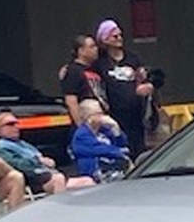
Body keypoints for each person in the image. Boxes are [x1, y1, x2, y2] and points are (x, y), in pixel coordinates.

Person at [0, 111, 95, 195]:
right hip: (33, 180)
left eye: (16, 123)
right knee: (58, 179)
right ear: (0, 129)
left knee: (88, 181)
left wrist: (47, 160)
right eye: (10, 124)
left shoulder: (23, 144)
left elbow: (40, 157)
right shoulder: (1, 148)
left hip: (49, 175)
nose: (16, 127)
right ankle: (61, 214)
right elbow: (19, 166)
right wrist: (38, 160)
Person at [93, 18, 155, 159]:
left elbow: (145, 76)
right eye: (114, 36)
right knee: (119, 147)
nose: (119, 38)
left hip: (135, 113)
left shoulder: (132, 58)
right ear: (105, 39)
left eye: (120, 35)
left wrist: (148, 85)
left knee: (138, 148)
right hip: (113, 113)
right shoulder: (99, 62)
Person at [70, 98, 132, 183]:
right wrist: (121, 151)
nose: (103, 116)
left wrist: (115, 128)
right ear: (88, 117)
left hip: (116, 169)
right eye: (98, 113)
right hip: (98, 174)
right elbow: (103, 150)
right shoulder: (81, 136)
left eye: (102, 113)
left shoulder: (105, 130)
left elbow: (123, 144)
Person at [60, 34, 108, 127]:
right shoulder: (73, 71)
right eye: (91, 46)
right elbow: (71, 101)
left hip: (101, 118)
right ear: (81, 51)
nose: (96, 49)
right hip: (87, 121)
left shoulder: (95, 68)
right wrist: (80, 126)